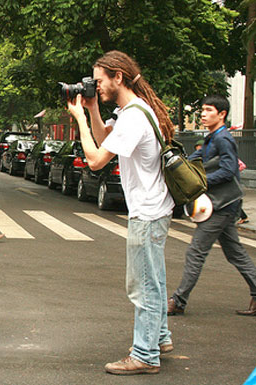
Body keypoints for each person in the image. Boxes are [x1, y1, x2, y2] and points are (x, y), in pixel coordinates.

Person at [67, 51, 175, 375]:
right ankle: (161, 337)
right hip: (156, 208)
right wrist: (93, 110)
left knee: (143, 285)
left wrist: (80, 120)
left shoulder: (134, 117)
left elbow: (97, 159)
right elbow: (106, 139)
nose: (94, 86)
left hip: (147, 212)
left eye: (99, 81)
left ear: (119, 77)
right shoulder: (132, 111)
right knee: (154, 279)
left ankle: (145, 355)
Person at [168, 95, 256, 317]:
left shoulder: (223, 139)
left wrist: (202, 182)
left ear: (222, 114)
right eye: (203, 110)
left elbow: (228, 171)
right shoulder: (211, 139)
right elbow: (192, 162)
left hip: (223, 205)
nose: (203, 114)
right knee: (235, 253)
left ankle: (178, 300)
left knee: (196, 251)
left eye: (208, 110)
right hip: (222, 204)